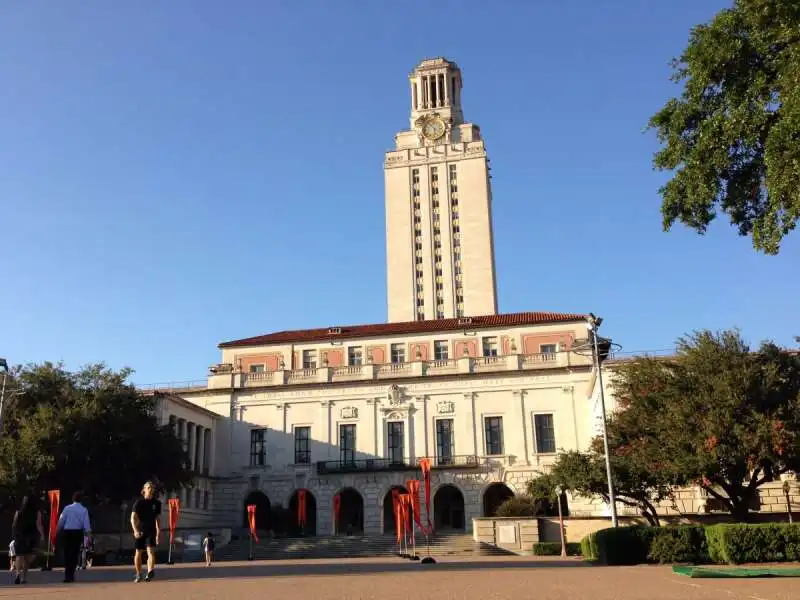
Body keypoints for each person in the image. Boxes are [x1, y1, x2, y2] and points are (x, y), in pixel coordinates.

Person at [56, 491, 92, 583]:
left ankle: (67, 575)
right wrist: (89, 537)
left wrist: (57, 531)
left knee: (67, 553)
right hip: (77, 532)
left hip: (67, 532)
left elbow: (61, 521)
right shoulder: (84, 510)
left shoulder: (67, 508)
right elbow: (86, 525)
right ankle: (72, 574)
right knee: (75, 553)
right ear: (81, 500)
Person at [131, 481, 161, 583]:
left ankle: (149, 572)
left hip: (151, 530)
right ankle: (139, 574)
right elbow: (132, 518)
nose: (151, 489)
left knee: (150, 551)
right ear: (144, 490)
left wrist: (158, 533)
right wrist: (135, 530)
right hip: (140, 530)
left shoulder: (157, 503)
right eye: (148, 487)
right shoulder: (139, 502)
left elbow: (157, 519)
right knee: (138, 552)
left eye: (152, 488)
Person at [11, 495, 45, 585]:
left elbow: (14, 524)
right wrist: (42, 536)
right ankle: (23, 578)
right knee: (27, 557)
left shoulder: (18, 512)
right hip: (31, 536)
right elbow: (39, 525)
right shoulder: (36, 512)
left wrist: (14, 535)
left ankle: (18, 573)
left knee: (19, 555)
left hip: (19, 535)